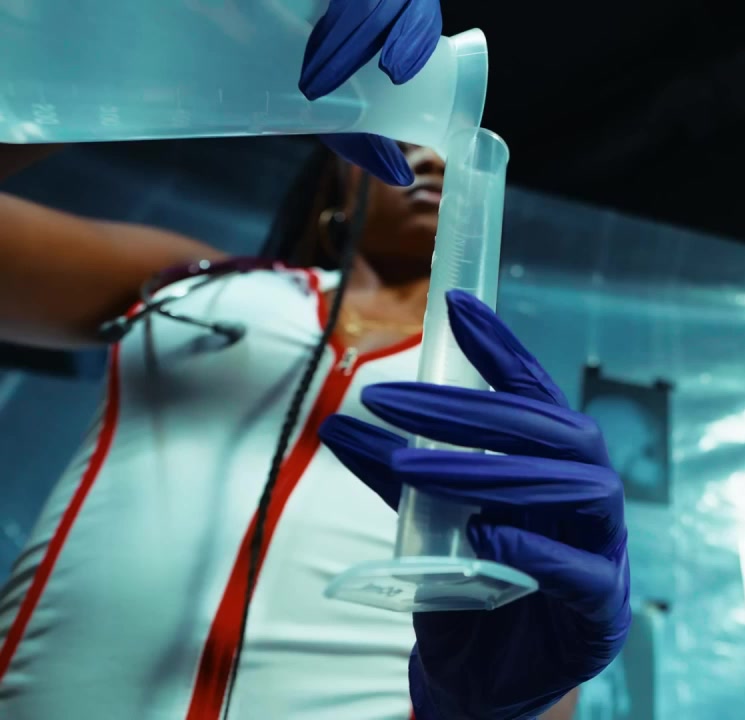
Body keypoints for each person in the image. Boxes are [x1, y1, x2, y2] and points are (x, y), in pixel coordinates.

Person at [0, 2, 630, 718]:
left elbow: (532, 655)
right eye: (405, 130)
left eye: (448, 146)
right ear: (339, 173)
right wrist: (142, 46)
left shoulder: (509, 401)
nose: (433, 155)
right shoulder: (195, 284)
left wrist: (512, 709)